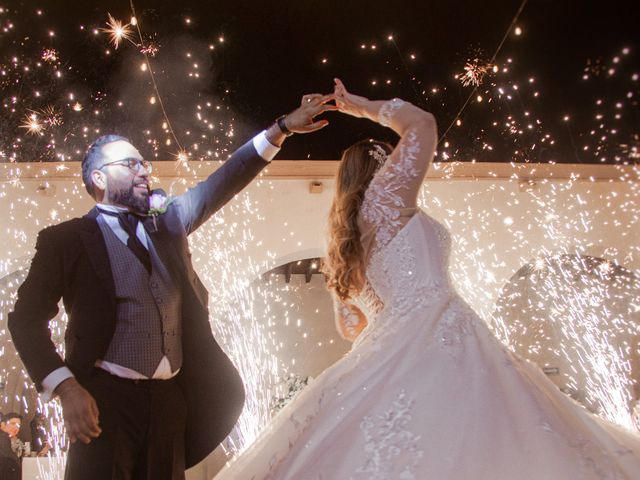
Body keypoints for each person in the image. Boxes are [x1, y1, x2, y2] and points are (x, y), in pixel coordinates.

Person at [215, 79, 640, 479]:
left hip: (396, 342)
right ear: (380, 170)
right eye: (390, 160)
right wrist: (360, 107)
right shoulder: (386, 198)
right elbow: (422, 123)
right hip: (442, 335)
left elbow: (351, 328)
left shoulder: (345, 244)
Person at [8, 92, 337, 480]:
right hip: (103, 401)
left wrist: (280, 130)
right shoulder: (65, 240)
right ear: (98, 177)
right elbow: (26, 321)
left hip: (170, 402)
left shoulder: (168, 224)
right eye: (130, 164)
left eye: (143, 163)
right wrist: (66, 387)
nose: (144, 170)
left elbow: (223, 181)